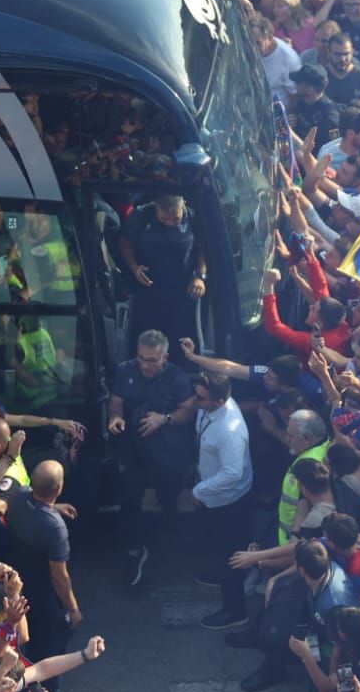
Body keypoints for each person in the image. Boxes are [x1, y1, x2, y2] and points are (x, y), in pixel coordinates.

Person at [107, 330, 196, 590]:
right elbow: (116, 401)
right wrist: (115, 417)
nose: (146, 365)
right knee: (129, 497)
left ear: (164, 358)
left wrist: (164, 419)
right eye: (142, 359)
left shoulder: (176, 377)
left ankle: (170, 547)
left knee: (168, 497)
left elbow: (188, 411)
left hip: (167, 449)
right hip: (135, 448)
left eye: (152, 361)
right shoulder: (125, 371)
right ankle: (132, 549)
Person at [188, 371, 255, 632]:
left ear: (218, 401)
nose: (194, 401)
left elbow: (232, 473)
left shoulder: (229, 430)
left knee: (231, 555)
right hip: (214, 495)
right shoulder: (210, 408)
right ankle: (221, 574)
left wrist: (199, 490)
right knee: (219, 547)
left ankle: (235, 611)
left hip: (229, 501)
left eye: (200, 398)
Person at [3, 457, 81, 664]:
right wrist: (73, 609)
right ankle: (48, 681)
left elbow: (33, 506)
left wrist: (53, 507)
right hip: (42, 589)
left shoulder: (18, 495)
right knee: (52, 640)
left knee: (31, 631)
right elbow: (59, 577)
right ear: (59, 488)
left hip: (19, 578)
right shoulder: (55, 528)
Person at [121, 195, 205, 354]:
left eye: (175, 219)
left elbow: (204, 248)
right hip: (148, 290)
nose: (170, 223)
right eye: (164, 219)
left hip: (182, 292)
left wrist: (200, 276)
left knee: (180, 342)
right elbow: (125, 242)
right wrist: (134, 267)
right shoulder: (141, 216)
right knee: (147, 340)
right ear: (156, 208)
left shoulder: (194, 218)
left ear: (183, 205)